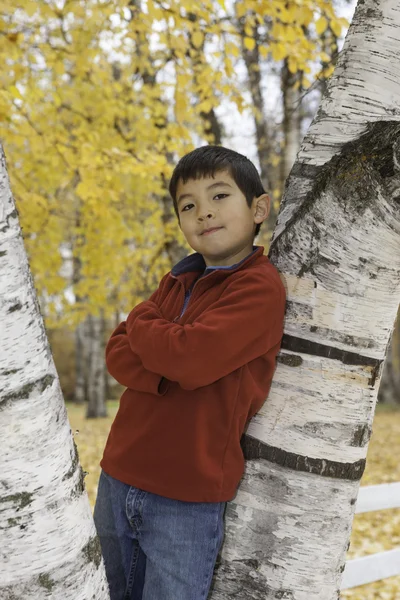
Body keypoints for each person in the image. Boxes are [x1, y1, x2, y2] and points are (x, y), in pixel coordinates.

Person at [94, 145, 286, 600]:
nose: (204, 212)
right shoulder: (176, 280)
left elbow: (190, 358)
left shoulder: (257, 288)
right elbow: (117, 354)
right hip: (118, 473)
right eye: (188, 205)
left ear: (258, 207)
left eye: (219, 196)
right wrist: (166, 371)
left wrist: (144, 326)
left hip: (187, 495)